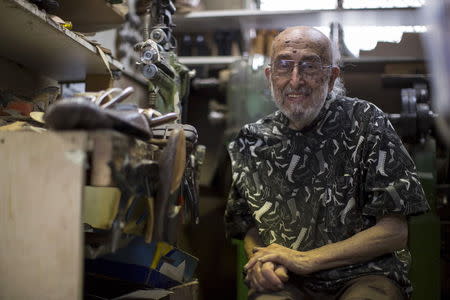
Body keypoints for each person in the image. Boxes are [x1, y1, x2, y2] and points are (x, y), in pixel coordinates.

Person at [224, 26, 429, 300]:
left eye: (309, 66)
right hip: (288, 280)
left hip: (365, 275)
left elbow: (394, 232)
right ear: (270, 76)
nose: (295, 80)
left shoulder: (367, 123)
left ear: (331, 77)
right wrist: (263, 261)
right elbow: (248, 226)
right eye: (284, 66)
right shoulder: (252, 140)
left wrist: (307, 260)